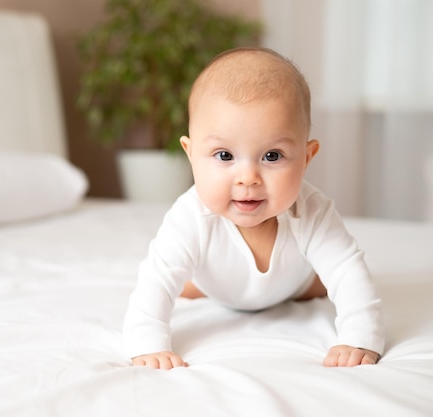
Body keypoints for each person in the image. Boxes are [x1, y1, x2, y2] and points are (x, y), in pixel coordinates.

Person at [122, 47, 385, 370]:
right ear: (191, 155)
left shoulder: (311, 211)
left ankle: (291, 287)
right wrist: (147, 345)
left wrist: (359, 337)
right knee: (178, 281)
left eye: (272, 156)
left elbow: (347, 271)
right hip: (214, 287)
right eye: (224, 155)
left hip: (294, 285)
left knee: (331, 278)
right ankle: (202, 287)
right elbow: (157, 280)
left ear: (306, 157)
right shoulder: (190, 217)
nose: (248, 178)